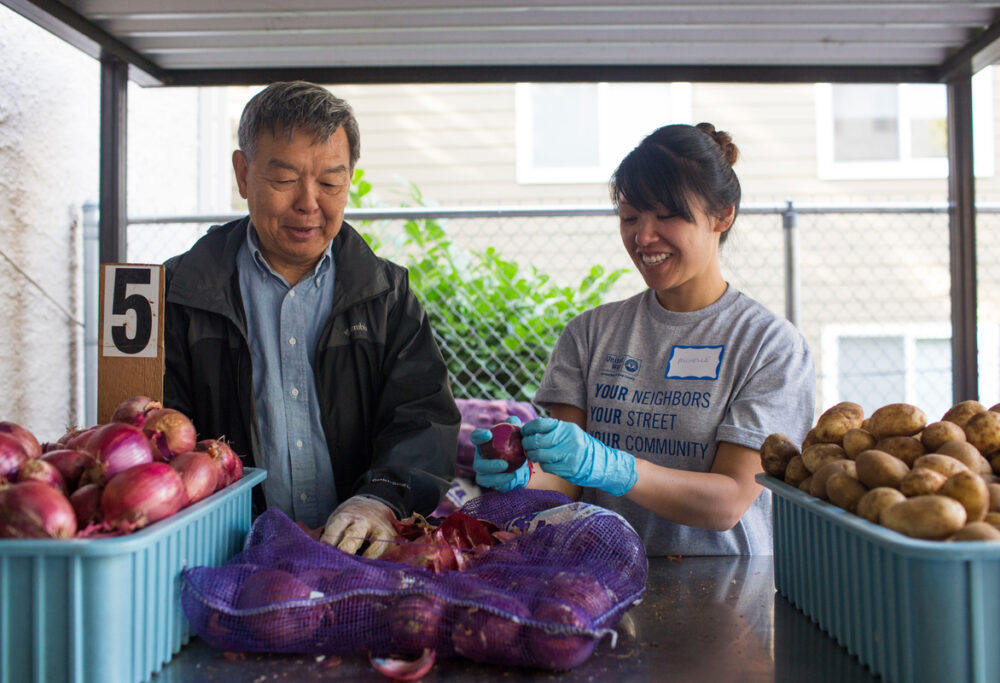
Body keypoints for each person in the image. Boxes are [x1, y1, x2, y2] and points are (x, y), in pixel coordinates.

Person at [473, 123, 815, 555]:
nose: (643, 236)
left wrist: (615, 467)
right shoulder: (590, 334)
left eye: (666, 215)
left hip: (724, 580)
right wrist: (522, 475)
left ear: (723, 215)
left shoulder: (769, 346)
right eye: (630, 217)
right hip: (597, 573)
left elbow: (728, 502)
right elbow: (565, 482)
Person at [163, 81, 460, 558]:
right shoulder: (176, 295)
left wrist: (378, 501)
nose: (308, 203)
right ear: (243, 174)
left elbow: (424, 418)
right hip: (222, 555)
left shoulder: (385, 296)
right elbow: (154, 436)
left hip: (362, 556)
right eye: (284, 179)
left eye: (330, 182)